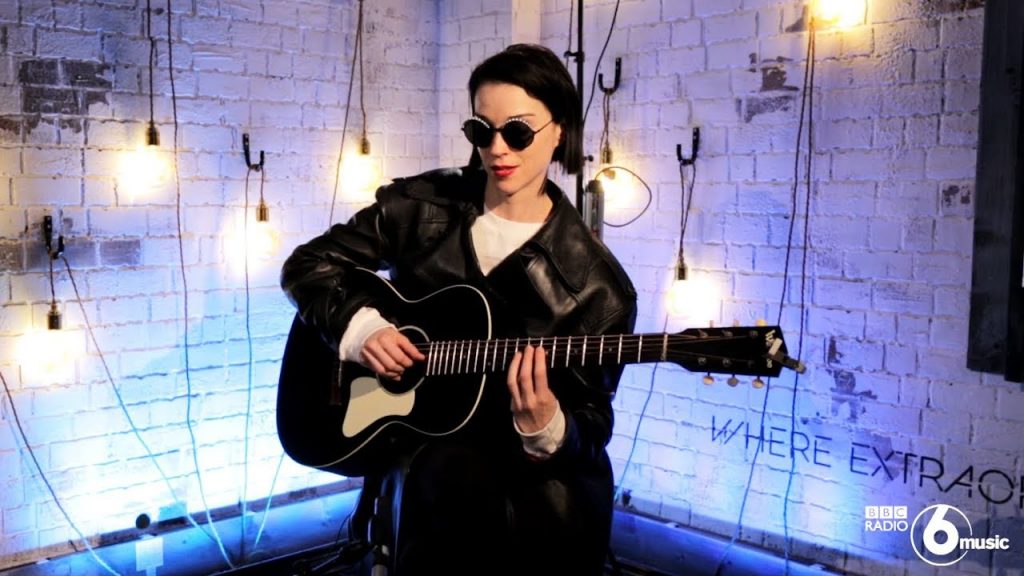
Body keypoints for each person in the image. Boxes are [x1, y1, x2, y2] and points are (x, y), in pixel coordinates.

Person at [280, 43, 637, 576]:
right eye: (481, 131)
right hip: (420, 457)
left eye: (518, 132)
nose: (497, 149)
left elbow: (593, 422)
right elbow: (309, 265)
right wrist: (361, 327)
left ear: (559, 131)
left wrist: (548, 427)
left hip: (519, 482)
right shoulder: (422, 206)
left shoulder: (599, 288)